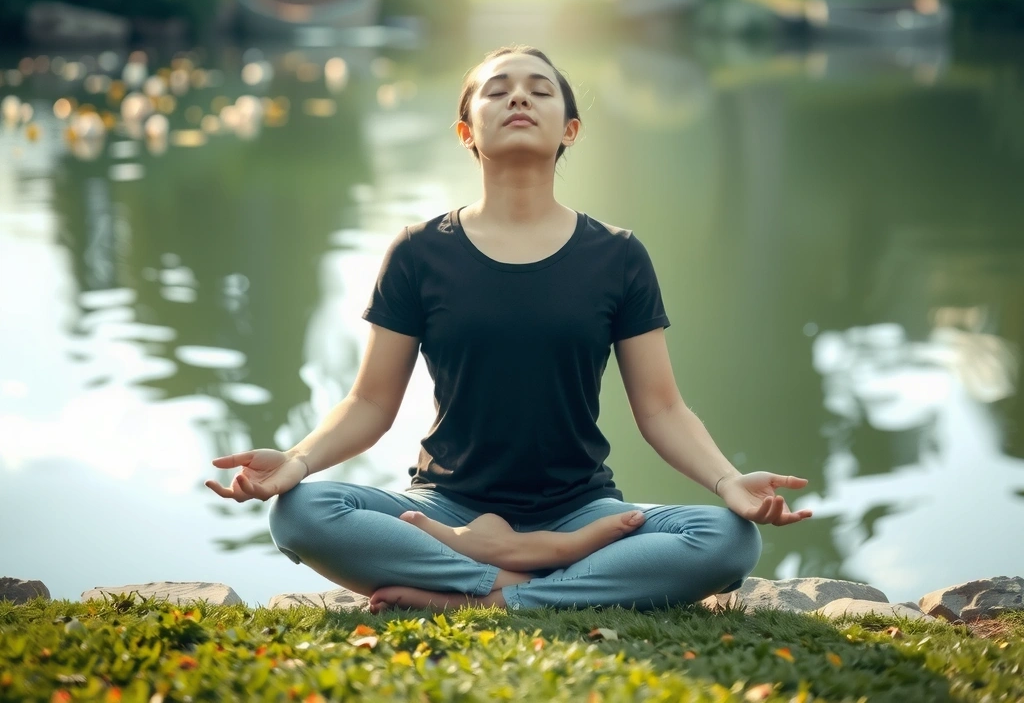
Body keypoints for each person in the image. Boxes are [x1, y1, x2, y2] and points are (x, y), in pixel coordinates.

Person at [206, 45, 812, 613]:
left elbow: (661, 409)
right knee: (301, 513)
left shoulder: (618, 255)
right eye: (497, 91)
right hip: (445, 508)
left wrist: (728, 480)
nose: (518, 97)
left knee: (728, 538)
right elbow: (369, 403)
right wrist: (296, 461)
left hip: (582, 511)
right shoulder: (419, 252)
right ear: (466, 131)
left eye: (540, 91)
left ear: (570, 129)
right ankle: (542, 581)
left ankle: (491, 593)